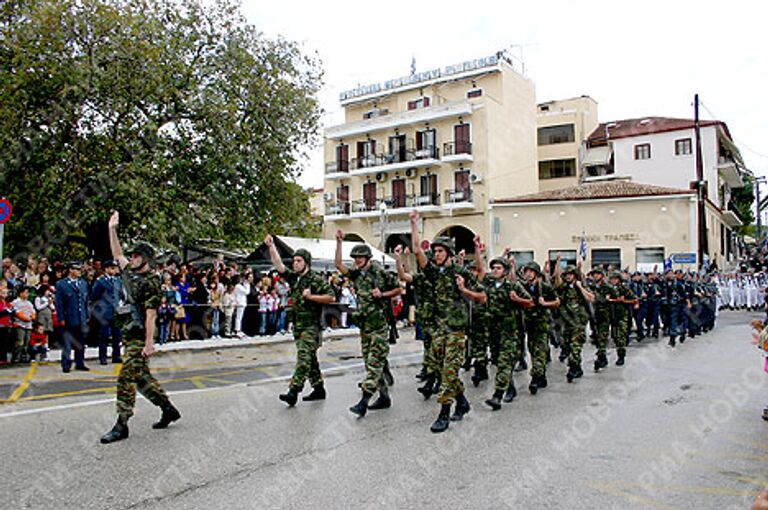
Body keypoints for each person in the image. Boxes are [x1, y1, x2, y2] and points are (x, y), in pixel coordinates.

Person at [100, 211, 180, 444]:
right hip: (128, 333)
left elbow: (151, 314)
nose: (131, 258)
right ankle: (168, 408)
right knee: (142, 380)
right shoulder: (129, 272)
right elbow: (117, 253)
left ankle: (121, 423)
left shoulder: (151, 282)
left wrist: (148, 343)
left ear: (146, 258)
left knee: (126, 377)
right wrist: (112, 229)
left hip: (139, 336)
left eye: (136, 256)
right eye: (132, 255)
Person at [409, 210, 486, 433]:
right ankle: (462, 401)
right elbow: (416, 251)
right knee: (444, 370)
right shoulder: (433, 272)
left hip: (455, 330)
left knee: (449, 371)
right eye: (435, 251)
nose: (436, 254)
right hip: (438, 330)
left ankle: (444, 413)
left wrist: (464, 290)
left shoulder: (461, 272)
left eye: (440, 251)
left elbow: (482, 296)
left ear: (449, 253)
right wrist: (414, 224)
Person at [335, 230, 401, 417]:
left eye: (359, 257)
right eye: (355, 257)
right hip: (365, 326)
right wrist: (340, 242)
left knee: (374, 364)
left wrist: (383, 294)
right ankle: (384, 397)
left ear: (367, 258)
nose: (356, 260)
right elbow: (338, 264)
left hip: (380, 325)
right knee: (370, 363)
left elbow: (399, 289)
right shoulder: (356, 275)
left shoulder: (380, 273)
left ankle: (363, 402)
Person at [266, 235, 334, 406]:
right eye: (294, 260)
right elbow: (279, 266)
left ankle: (293, 391)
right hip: (298, 325)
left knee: (303, 359)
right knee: (310, 360)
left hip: (311, 326)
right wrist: (271, 246)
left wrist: (311, 296)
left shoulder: (315, 279)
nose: (294, 263)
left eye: (298, 261)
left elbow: (331, 297)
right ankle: (318, 389)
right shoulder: (295, 278)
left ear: (306, 262)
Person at [473, 250, 532, 410]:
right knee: (499, 362)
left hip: (509, 332)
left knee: (505, 362)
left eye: (498, 268)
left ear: (505, 271)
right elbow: (479, 269)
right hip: (493, 331)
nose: (494, 271)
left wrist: (517, 299)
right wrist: (477, 250)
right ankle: (510, 388)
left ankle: (497, 396)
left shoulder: (514, 286)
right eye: (493, 268)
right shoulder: (489, 283)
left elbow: (530, 302)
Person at [520, 260, 560, 394]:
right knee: (532, 349)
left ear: (537, 274)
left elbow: (557, 302)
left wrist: (546, 304)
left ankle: (535, 378)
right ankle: (542, 377)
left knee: (540, 351)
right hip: (529, 324)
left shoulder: (545, 287)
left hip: (542, 323)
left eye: (531, 272)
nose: (529, 274)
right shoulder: (523, 287)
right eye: (527, 272)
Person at [554, 264, 594, 382]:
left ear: (575, 275)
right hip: (567, 322)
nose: (568, 277)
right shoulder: (564, 288)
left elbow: (591, 298)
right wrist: (557, 263)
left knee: (575, 346)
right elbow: (556, 288)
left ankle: (572, 369)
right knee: (567, 346)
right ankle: (577, 367)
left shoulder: (581, 286)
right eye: (566, 275)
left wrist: (580, 287)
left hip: (579, 322)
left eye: (570, 274)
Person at [55, 263, 91, 373]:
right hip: (69, 317)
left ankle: (80, 363)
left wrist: (87, 314)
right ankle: (66, 364)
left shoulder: (83, 283)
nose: (79, 271)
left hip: (81, 317)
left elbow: (86, 300)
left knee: (80, 342)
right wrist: (61, 317)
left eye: (80, 269)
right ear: (70, 270)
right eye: (77, 269)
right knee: (67, 342)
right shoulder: (61, 284)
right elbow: (59, 303)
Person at [90, 260, 125, 365]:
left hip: (116, 312)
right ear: (106, 269)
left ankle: (116, 356)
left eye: (114, 268)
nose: (113, 270)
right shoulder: (100, 281)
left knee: (117, 335)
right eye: (111, 268)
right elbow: (95, 296)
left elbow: (120, 294)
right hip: (104, 312)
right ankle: (103, 357)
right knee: (104, 335)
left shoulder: (118, 280)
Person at [607, 271, 638, 366]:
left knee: (621, 337)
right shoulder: (608, 289)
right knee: (615, 337)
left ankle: (621, 356)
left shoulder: (624, 288)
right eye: (611, 279)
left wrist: (624, 301)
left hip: (623, 315)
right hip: (612, 315)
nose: (613, 281)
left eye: (615, 279)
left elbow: (634, 299)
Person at [11, 286, 36, 363]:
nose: (27, 294)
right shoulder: (15, 302)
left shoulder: (29, 303)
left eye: (28, 293)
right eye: (26, 292)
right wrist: (24, 318)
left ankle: (23, 357)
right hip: (19, 324)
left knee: (26, 342)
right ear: (21, 293)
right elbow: (16, 312)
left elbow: (33, 311)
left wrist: (32, 317)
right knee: (20, 342)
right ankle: (16, 357)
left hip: (29, 325)